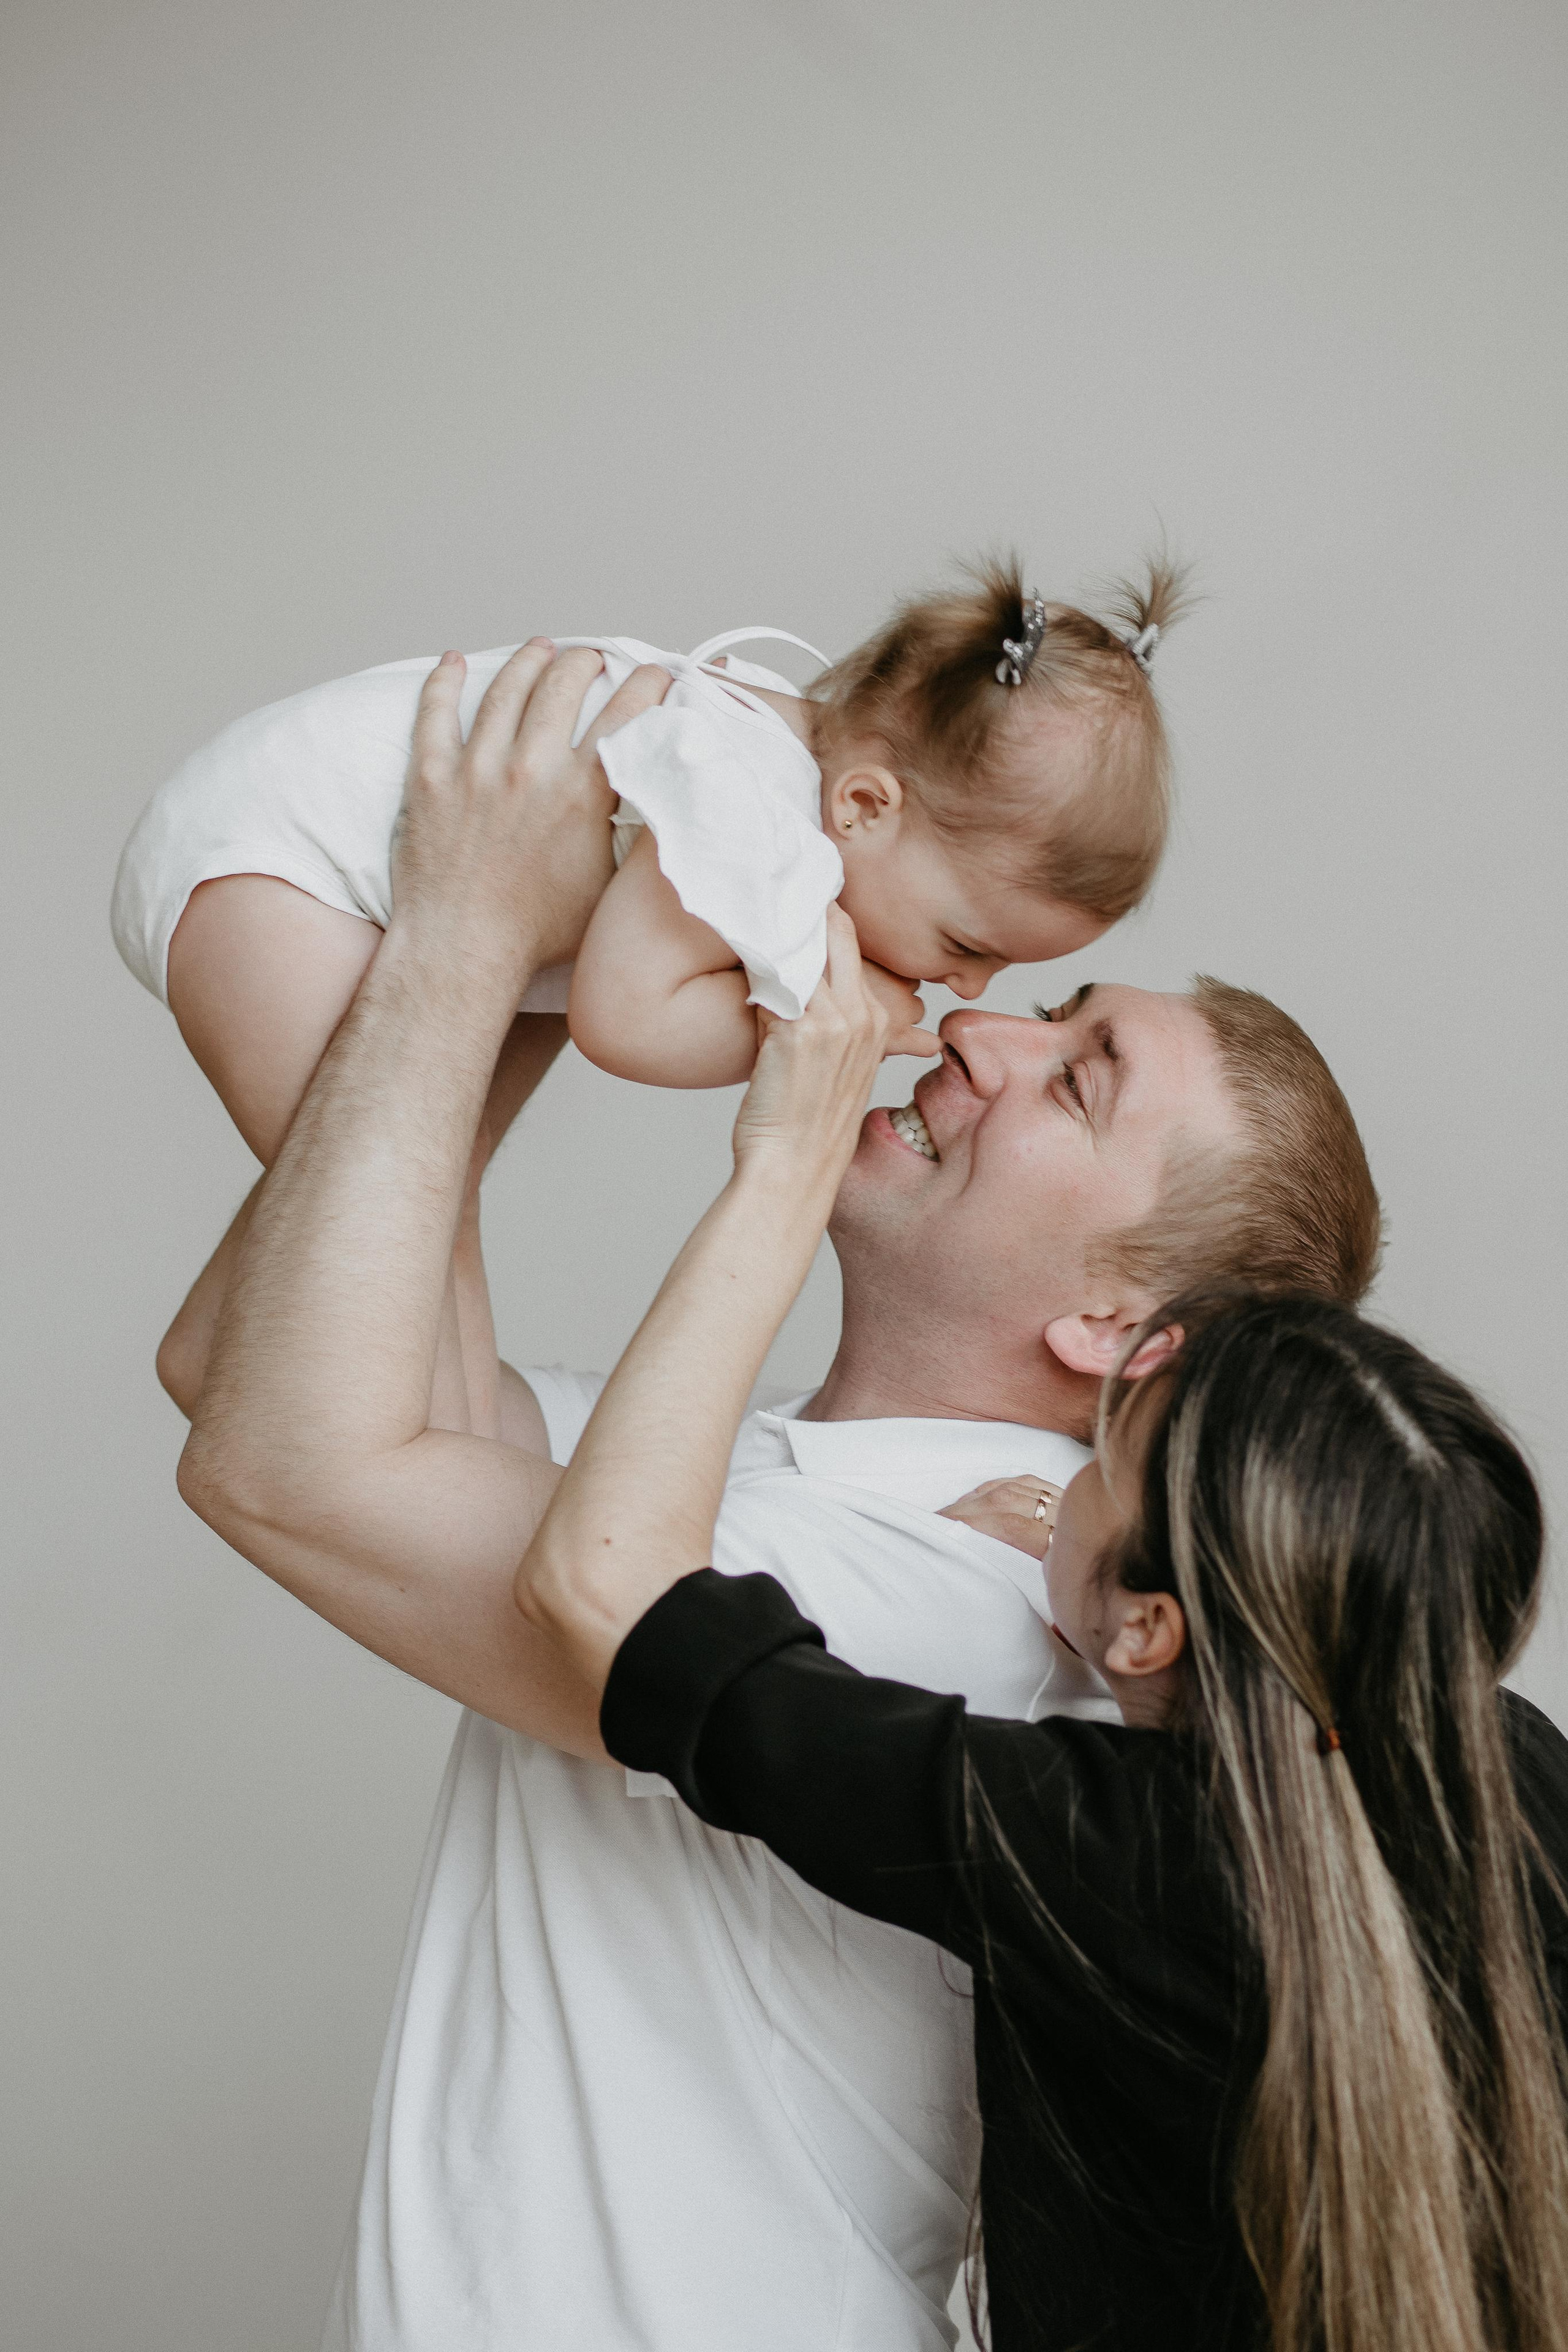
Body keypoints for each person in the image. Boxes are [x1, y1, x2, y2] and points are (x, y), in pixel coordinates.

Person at [170, 642, 1381, 2352]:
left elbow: (285, 1462)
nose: (974, 1024)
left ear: (1118, 1325)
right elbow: (257, 1358)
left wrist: (452, 943)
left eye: (1078, 1073)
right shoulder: (724, 1471)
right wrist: (525, 946)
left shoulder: (955, 1594)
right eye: (1040, 1007)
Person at [512, 935, 1568, 2352]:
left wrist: (780, 1152)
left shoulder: (1080, 1841)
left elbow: (606, 1595)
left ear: (1146, 1625)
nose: (1042, 1481)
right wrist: (1118, 1556)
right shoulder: (1510, 1765)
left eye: (1088, 1469)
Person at [117, 557, 1180, 1433]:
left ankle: (452, 1454)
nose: (967, 987)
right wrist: (807, 1013)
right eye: (965, 941)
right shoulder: (751, 818)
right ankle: (457, 1461)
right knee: (401, 1222)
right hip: (280, 877)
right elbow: (625, 1021)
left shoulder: (774, 765)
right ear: (863, 805)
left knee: (414, 1222)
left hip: (288, 864)